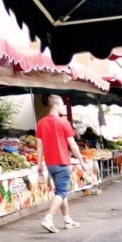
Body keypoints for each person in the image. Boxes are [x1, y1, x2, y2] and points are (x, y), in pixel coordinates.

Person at [36, 94, 85, 233]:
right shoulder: (64, 123)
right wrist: (81, 161)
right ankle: (48, 218)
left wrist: (39, 163)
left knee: (60, 192)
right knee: (62, 192)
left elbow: (39, 146)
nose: (63, 107)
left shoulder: (41, 123)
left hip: (50, 164)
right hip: (62, 162)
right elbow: (73, 145)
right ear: (56, 106)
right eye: (62, 104)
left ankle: (67, 219)